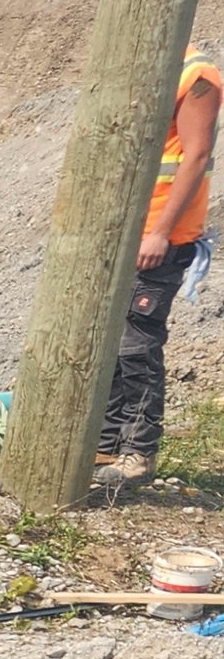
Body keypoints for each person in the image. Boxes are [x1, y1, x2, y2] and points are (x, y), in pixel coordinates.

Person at [98, 36, 222, 488]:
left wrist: (160, 233)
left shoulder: (197, 77)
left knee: (137, 345)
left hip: (159, 238)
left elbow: (197, 155)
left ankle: (138, 452)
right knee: (113, 345)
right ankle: (108, 443)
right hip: (129, 233)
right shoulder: (160, 73)